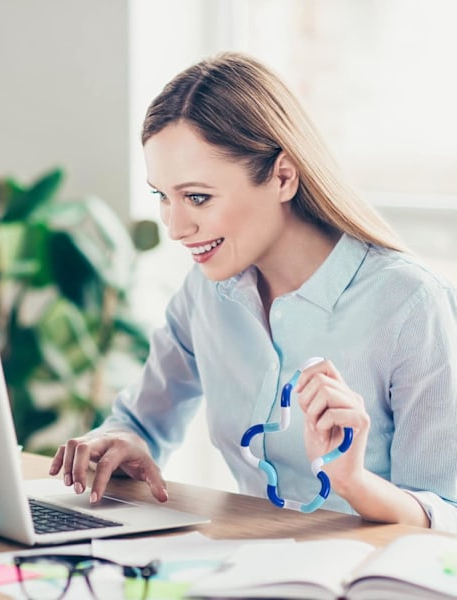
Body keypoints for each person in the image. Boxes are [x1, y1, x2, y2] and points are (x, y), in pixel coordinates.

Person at [50, 51, 457, 531]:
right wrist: (118, 440)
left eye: (197, 197)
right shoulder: (207, 292)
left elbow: (446, 518)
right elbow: (139, 422)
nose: (175, 228)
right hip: (243, 565)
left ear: (283, 176)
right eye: (163, 196)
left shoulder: (409, 303)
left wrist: (353, 481)